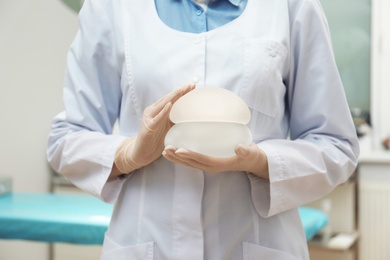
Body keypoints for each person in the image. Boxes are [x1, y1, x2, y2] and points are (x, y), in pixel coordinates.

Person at [47, 0, 360, 259]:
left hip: (258, 243)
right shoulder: (112, 8)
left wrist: (260, 161)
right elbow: (66, 138)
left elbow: (336, 144)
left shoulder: (292, 6)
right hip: (146, 241)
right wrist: (128, 154)